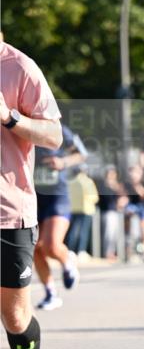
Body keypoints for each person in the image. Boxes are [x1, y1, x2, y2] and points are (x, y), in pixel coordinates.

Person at [0, 39, 62, 349]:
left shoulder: (19, 67)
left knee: (16, 318)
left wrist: (9, 118)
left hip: (8, 213)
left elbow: (53, 135)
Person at [33, 122, 86, 308]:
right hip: (33, 198)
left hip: (57, 197)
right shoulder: (14, 126)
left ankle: (67, 260)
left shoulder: (58, 128)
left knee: (51, 246)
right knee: (34, 248)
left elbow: (81, 154)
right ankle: (50, 293)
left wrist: (63, 162)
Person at [66, 168, 99, 255]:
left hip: (74, 209)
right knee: (83, 231)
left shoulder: (71, 182)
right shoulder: (87, 181)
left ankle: (70, 249)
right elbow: (94, 197)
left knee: (73, 230)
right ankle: (81, 250)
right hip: (86, 209)